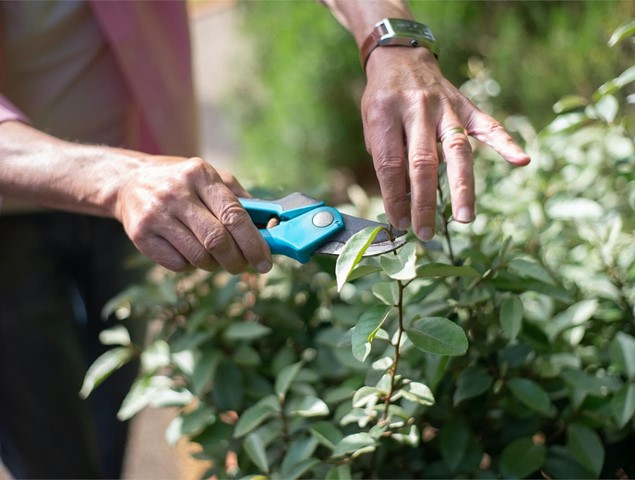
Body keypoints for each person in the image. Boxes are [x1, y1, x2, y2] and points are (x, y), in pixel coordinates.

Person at [0, 0, 530, 477]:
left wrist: (389, 37)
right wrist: (115, 180)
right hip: (24, 205)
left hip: (149, 180)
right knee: (46, 442)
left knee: (111, 400)